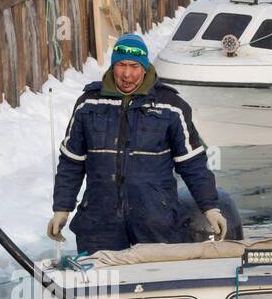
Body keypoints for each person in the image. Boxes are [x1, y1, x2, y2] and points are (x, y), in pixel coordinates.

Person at [48, 33, 228, 254]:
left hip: (156, 223)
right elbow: (71, 163)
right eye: (121, 65)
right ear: (113, 66)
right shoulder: (89, 104)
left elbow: (193, 165)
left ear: (144, 67)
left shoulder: (171, 107)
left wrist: (210, 208)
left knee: (159, 285)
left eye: (134, 66)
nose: (127, 74)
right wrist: (62, 208)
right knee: (101, 287)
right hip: (99, 225)